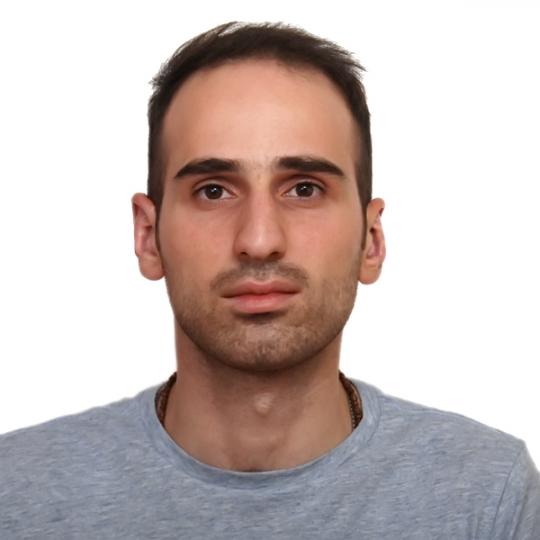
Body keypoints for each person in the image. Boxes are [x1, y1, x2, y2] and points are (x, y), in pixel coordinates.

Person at [1, 20, 539, 539]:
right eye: (213, 191)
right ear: (148, 237)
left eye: (304, 188)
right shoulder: (16, 494)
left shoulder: (488, 495)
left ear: (371, 241)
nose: (259, 240)